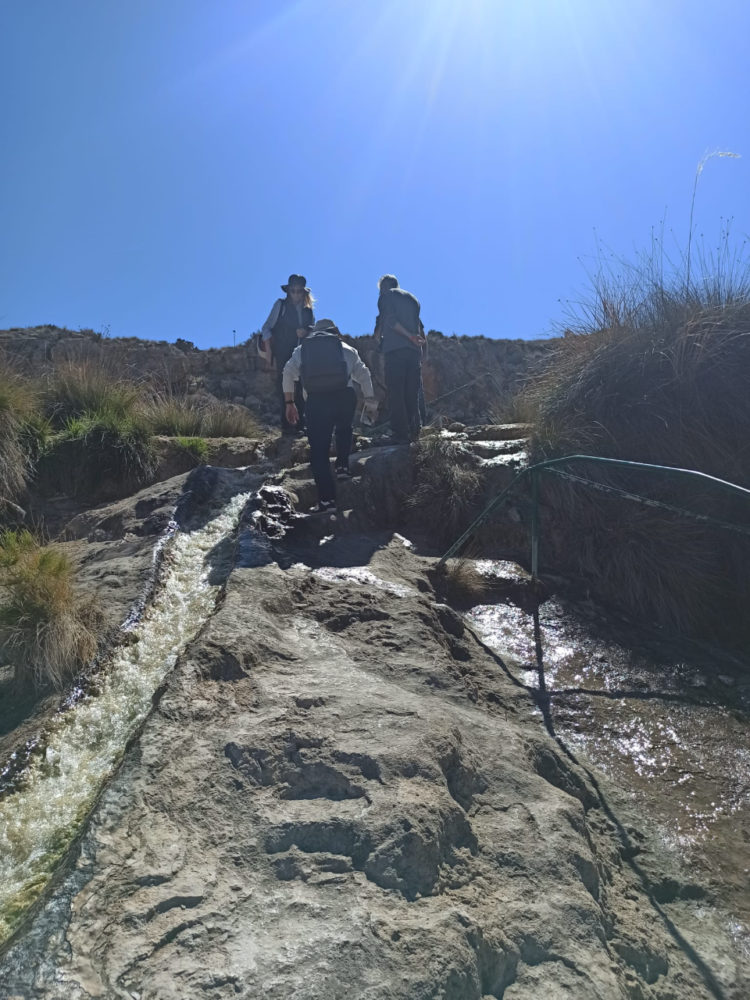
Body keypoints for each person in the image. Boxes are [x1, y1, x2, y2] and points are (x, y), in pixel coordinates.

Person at [283, 319, 378, 514]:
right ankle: (342, 467)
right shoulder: (347, 349)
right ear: (336, 332)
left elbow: (287, 373)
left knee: (319, 451)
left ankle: (327, 501)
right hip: (344, 396)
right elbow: (364, 374)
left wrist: (289, 403)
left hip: (316, 401)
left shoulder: (304, 349)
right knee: (344, 428)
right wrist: (369, 400)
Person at [259, 274, 315, 435]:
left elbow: (313, 329)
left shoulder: (308, 311)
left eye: (299, 291)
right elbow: (266, 327)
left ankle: (301, 424)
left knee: (302, 387)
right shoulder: (280, 305)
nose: (296, 294)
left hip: (303, 354)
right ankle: (288, 425)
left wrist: (306, 332)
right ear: (288, 291)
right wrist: (270, 350)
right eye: (293, 291)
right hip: (284, 353)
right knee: (286, 387)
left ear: (304, 292)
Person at [376, 274, 424, 444]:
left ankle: (399, 434)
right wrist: (417, 345)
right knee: (412, 393)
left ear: (383, 287)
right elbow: (419, 326)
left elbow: (390, 321)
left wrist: (408, 336)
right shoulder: (413, 299)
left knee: (396, 393)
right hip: (414, 352)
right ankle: (415, 431)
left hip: (395, 350)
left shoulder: (386, 296)